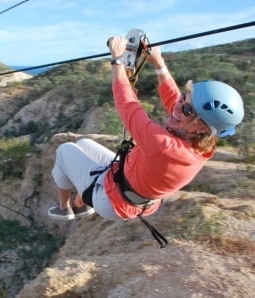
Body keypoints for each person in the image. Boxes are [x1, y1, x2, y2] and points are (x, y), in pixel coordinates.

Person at [48, 35, 245, 222]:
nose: (177, 105)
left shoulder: (164, 145)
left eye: (186, 108)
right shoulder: (200, 140)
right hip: (129, 183)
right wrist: (158, 63)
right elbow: (173, 99)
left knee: (65, 150)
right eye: (184, 98)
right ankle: (82, 200)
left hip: (113, 202)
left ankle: (65, 207)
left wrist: (116, 60)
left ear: (202, 127)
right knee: (84, 143)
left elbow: (128, 105)